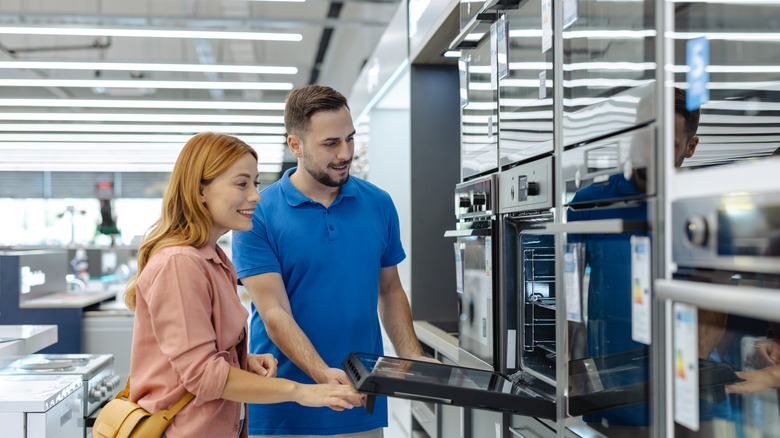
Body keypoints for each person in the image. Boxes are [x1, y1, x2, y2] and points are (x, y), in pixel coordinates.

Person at [123, 132, 362, 438]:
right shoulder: (179, 263)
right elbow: (202, 376)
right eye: (242, 183)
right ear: (200, 192)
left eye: (256, 183)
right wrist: (302, 392)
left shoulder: (214, 259)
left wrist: (240, 360)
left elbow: (192, 356)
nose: (255, 196)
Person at [232, 85, 430, 437]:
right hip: (283, 408)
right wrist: (322, 374)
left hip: (360, 400)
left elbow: (389, 289)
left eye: (349, 139)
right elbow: (274, 311)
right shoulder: (258, 213)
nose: (345, 153)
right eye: (330, 143)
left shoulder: (378, 204)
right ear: (296, 145)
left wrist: (410, 356)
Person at [567, 87, 706, 434]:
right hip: (611, 404)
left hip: (687, 404)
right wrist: (563, 372)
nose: (651, 153)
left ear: (690, 147)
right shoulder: (590, 204)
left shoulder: (701, 207)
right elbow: (570, 301)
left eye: (668, 145)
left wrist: (691, 386)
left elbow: (715, 302)